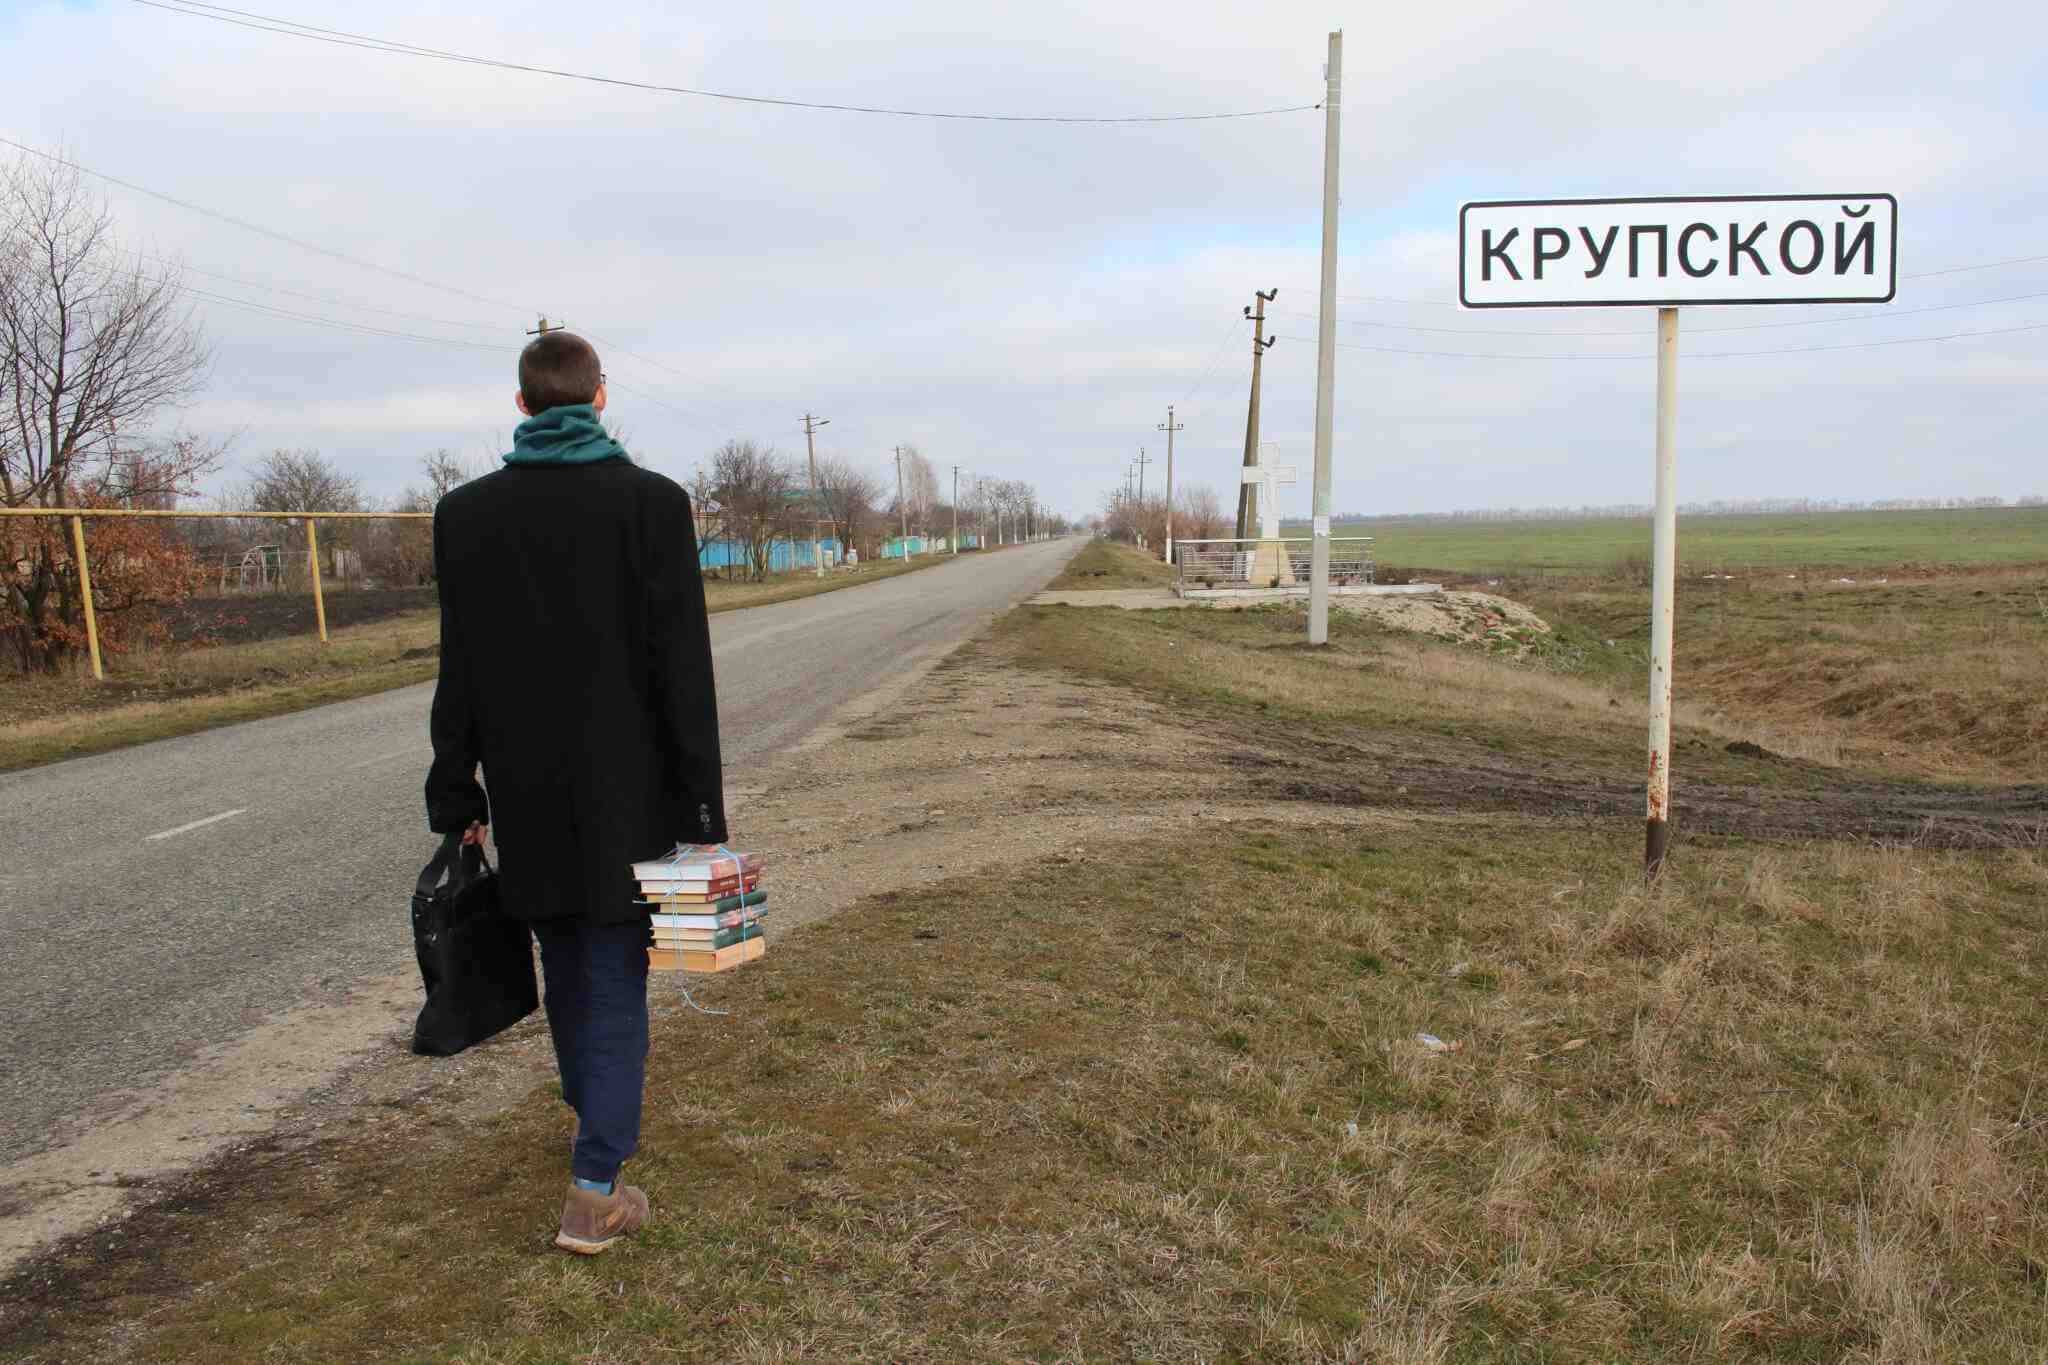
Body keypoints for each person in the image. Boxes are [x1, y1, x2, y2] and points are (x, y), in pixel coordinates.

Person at [425, 330, 726, 1255]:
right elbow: (684, 673)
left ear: (522, 406)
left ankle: (594, 1111)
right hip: (632, 792)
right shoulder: (653, 504)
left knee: (567, 961)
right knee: (615, 969)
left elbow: (458, 668)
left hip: (527, 790)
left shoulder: (464, 514)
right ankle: (595, 1184)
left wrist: (456, 789)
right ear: (600, 397)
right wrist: (703, 813)